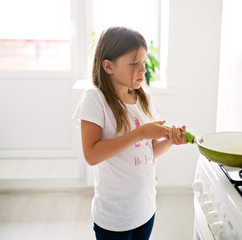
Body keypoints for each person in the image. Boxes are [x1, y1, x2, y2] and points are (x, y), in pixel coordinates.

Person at [72, 26, 188, 240]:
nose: (143, 69)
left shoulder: (144, 98)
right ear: (108, 66)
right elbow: (92, 155)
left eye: (144, 62)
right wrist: (140, 133)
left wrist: (170, 140)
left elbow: (148, 151)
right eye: (134, 63)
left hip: (145, 209)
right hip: (114, 218)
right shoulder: (95, 99)